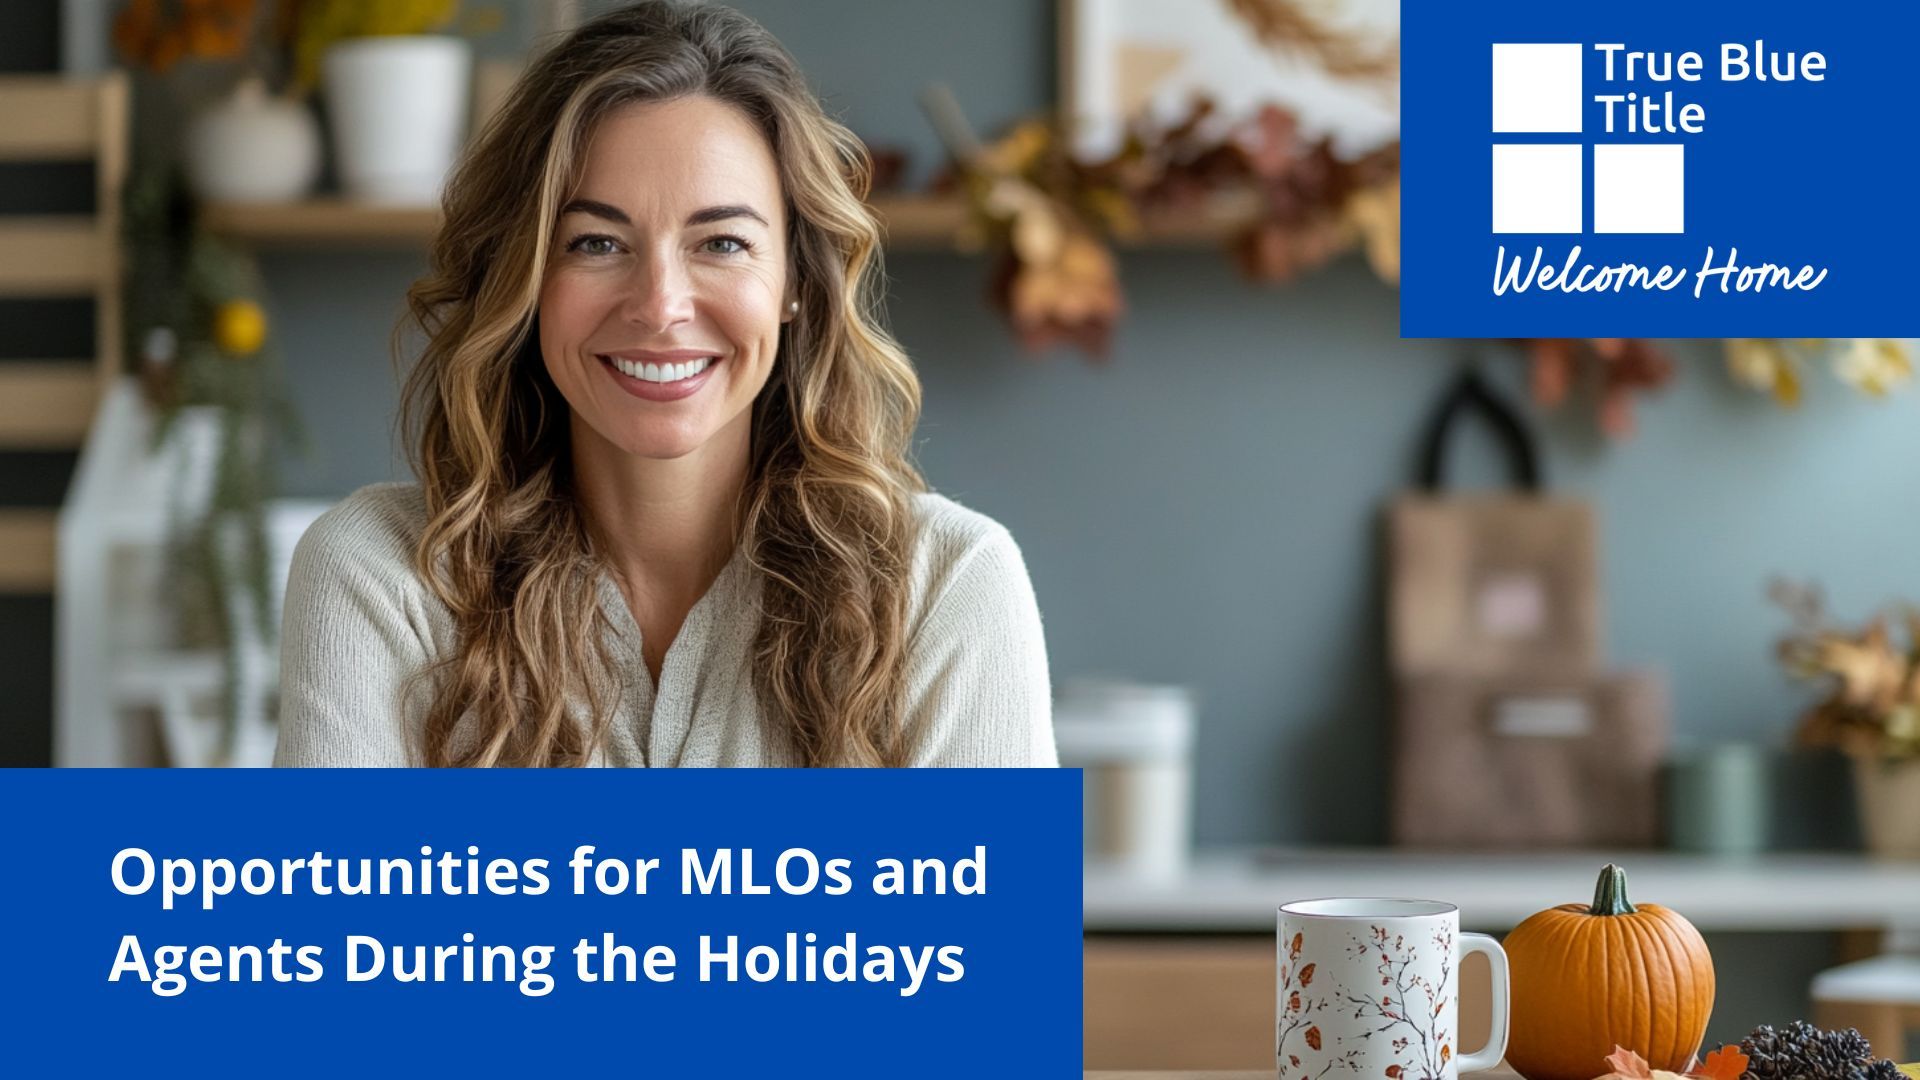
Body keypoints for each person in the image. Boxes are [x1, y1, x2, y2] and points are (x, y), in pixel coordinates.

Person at [273, 1, 1054, 768]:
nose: (660, 305)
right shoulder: (380, 576)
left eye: (721, 241)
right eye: (597, 242)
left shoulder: (947, 587)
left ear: (795, 284)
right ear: (524, 277)